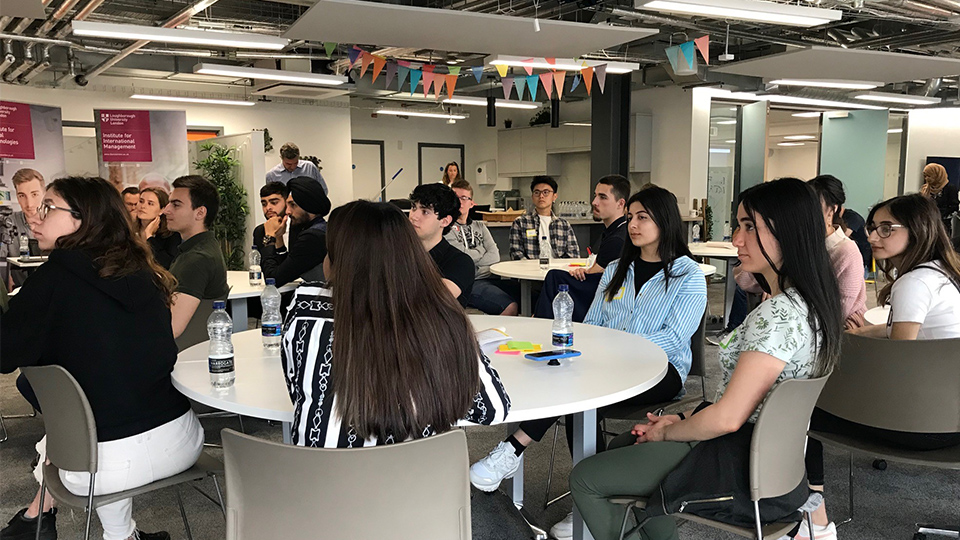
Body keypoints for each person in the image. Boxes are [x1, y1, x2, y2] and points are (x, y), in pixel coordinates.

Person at [567, 177, 843, 540]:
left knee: (585, 478)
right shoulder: (808, 303)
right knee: (623, 444)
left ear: (786, 232)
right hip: (769, 452)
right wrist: (679, 418)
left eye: (749, 227)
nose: (736, 240)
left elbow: (729, 418)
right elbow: (747, 401)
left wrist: (669, 430)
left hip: (736, 456)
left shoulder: (776, 315)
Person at [471, 186, 707, 540]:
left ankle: (517, 452)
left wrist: (613, 348)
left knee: (583, 394)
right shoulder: (615, 269)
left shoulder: (687, 276)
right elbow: (593, 324)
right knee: (565, 381)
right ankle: (583, 496)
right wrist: (592, 349)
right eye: (632, 217)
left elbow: (674, 338)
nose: (634, 225)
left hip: (661, 371)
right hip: (604, 364)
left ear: (665, 221)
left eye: (643, 217)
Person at [0, 176, 202, 540]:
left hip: (96, 464)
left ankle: (36, 523)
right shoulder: (144, 272)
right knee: (95, 415)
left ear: (81, 218)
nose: (35, 216)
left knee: (72, 430)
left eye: (47, 207)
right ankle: (101, 532)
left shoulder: (51, 281)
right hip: (182, 438)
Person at [280, 199, 510, 448]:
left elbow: (299, 391)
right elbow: (493, 409)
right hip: (416, 482)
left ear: (339, 259)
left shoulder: (305, 306)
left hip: (317, 480)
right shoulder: (441, 315)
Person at [803, 193, 960, 540]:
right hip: (952, 415)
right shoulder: (943, 274)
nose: (872, 236)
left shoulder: (913, 283)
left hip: (921, 426)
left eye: (886, 229)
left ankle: (813, 520)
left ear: (917, 230)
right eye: (873, 227)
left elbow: (898, 360)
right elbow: (909, 330)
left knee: (803, 408)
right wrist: (869, 330)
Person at [533, 175, 629, 321]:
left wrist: (587, 272)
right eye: (595, 196)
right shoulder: (615, 231)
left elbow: (598, 278)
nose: (594, 202)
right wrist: (586, 271)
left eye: (603, 197)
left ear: (620, 203)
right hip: (602, 289)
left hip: (604, 297)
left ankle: (539, 323)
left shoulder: (617, 238)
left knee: (554, 278)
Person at [163, 175, 229, 339]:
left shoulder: (197, 259)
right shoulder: (202, 247)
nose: (166, 210)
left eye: (176, 205)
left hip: (182, 354)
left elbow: (171, 328)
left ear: (200, 212)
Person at [445, 179, 518, 316]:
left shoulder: (480, 226)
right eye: (455, 198)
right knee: (509, 306)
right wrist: (481, 251)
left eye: (464, 198)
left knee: (534, 297)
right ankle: (496, 336)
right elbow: (463, 259)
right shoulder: (446, 228)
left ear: (471, 203)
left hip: (492, 278)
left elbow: (494, 255)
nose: (459, 202)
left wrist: (475, 260)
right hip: (470, 282)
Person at [409, 183, 475, 307]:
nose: (414, 216)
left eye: (425, 212)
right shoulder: (398, 254)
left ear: (445, 221)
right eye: (413, 207)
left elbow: (431, 302)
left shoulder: (460, 262)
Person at [260, 176, 330, 284]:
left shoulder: (312, 237)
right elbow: (286, 268)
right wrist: (279, 239)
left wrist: (269, 237)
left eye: (293, 205)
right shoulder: (319, 228)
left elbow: (273, 279)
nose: (287, 211)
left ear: (308, 206)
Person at [509, 176, 580, 260]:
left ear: (554, 196)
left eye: (546, 192)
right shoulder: (520, 222)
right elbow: (516, 253)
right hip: (530, 270)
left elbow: (574, 254)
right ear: (532, 197)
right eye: (537, 192)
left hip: (558, 270)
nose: (541, 196)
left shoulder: (563, 225)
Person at [7, 169, 44, 289]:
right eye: (22, 196)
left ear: (44, 193)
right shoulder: (8, 224)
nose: (29, 204)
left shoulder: (57, 222)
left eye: (34, 194)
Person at [135, 187, 181, 269]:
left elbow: (167, 264)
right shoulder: (129, 231)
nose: (143, 206)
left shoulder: (171, 234)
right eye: (141, 201)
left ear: (161, 210)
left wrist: (149, 237)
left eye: (150, 203)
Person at [252, 181, 289, 254]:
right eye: (264, 204)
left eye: (274, 203)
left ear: (286, 202)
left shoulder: (297, 228)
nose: (268, 208)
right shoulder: (260, 231)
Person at [920, 163, 958, 228]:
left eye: (929, 176)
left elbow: (954, 207)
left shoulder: (949, 188)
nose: (926, 179)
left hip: (942, 225)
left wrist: (939, 215)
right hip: (926, 224)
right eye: (925, 176)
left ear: (937, 175)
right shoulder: (924, 189)